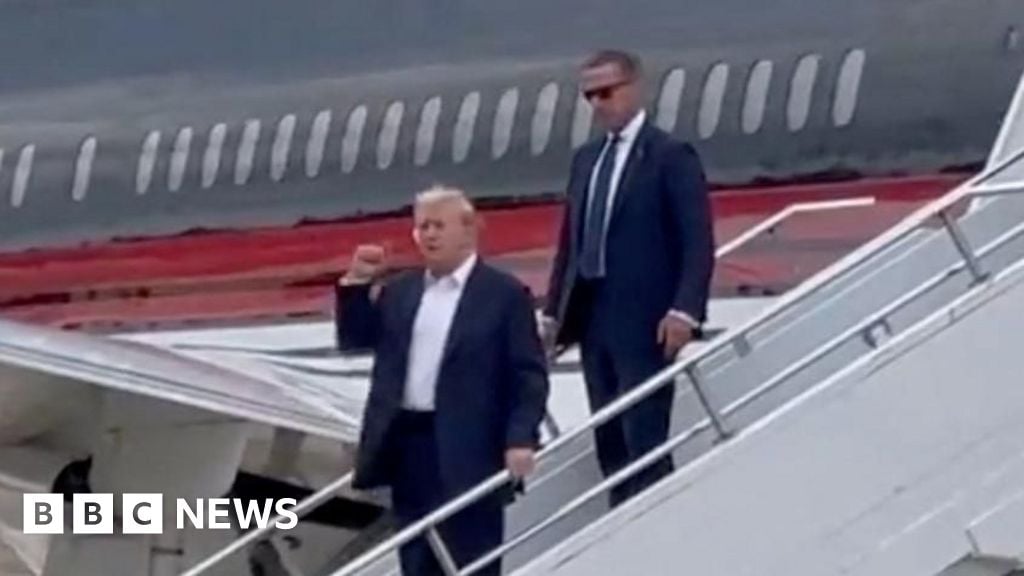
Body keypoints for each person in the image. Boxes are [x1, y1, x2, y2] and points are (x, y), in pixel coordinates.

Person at [336, 186, 550, 575]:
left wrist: (521, 438)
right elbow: (356, 339)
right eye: (422, 227)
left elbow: (528, 374)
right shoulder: (402, 291)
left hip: (471, 448)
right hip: (410, 444)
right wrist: (355, 286)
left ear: (468, 232)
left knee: (471, 558)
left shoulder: (502, 295)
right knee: (417, 560)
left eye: (438, 226)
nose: (428, 235)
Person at [541, 50, 715, 507]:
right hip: (592, 317)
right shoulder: (586, 161)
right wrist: (553, 313)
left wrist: (685, 309)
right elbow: (571, 244)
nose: (598, 103)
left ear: (635, 89)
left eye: (607, 91)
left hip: (645, 319)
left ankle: (656, 521)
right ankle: (621, 517)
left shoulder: (669, 156)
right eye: (589, 95)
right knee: (610, 437)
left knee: (645, 435)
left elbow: (697, 240)